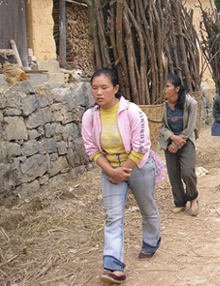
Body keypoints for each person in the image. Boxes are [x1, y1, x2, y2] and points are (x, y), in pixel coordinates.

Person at [81, 68, 161, 284]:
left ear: (115, 89)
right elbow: (91, 148)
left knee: (147, 208)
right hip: (110, 169)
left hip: (138, 166)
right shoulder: (90, 116)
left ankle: (151, 242)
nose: (98, 92)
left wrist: (122, 171)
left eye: (104, 87)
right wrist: (111, 171)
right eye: (94, 88)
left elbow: (142, 145)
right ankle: (114, 267)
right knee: (113, 216)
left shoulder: (133, 112)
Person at [159, 74, 199, 216]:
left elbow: (190, 127)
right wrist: (172, 138)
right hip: (169, 142)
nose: (164, 89)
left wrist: (178, 143)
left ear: (177, 88)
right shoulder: (161, 105)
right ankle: (180, 202)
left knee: (187, 171)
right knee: (173, 173)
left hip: (186, 141)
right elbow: (160, 126)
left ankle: (193, 197)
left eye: (167, 86)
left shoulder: (190, 103)